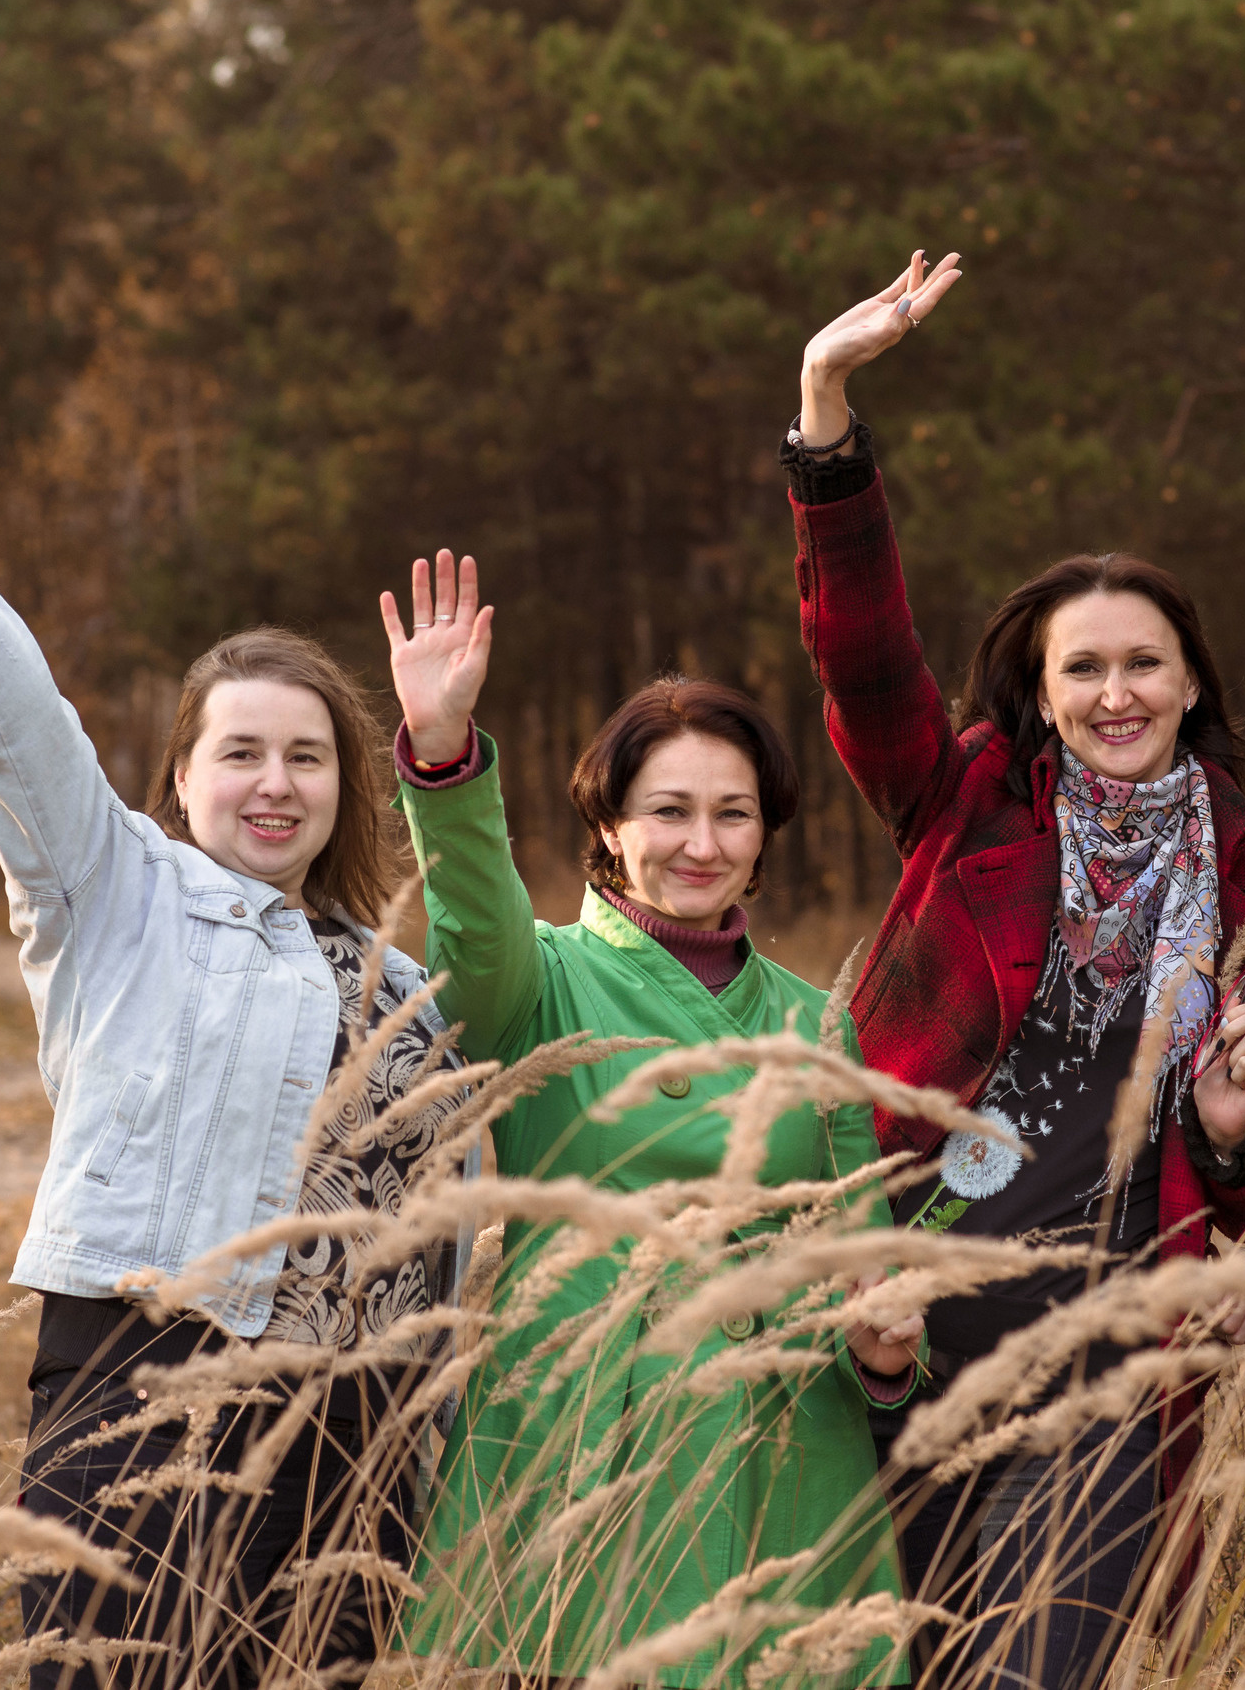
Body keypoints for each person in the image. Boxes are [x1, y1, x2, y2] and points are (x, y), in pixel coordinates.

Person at [0, 368, 463, 1689]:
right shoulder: (113, 889)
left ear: (347, 784)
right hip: (136, 1377)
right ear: (178, 777)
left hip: (352, 1441)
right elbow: (10, 712)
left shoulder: (404, 987)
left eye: (306, 754)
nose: (274, 781)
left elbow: (442, 1254)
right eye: (239, 750)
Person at [784, 254, 1245, 1690]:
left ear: (1194, 681)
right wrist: (827, 418)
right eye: (1082, 668)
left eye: (1144, 663)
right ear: (1036, 690)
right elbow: (864, 662)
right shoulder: (965, 801)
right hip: (908, 1317)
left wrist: (1231, 1132)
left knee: (1046, 1666)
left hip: (1113, 1346)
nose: (1115, 694)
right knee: (914, 1656)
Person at [380, 552, 922, 1687]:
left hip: (776, 1450)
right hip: (576, 1421)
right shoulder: (542, 984)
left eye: (732, 815)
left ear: (764, 836)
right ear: (610, 827)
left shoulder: (816, 1024)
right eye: (667, 811)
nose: (701, 844)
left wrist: (878, 1354)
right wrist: (443, 757)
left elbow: (855, 1267)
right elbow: (474, 928)